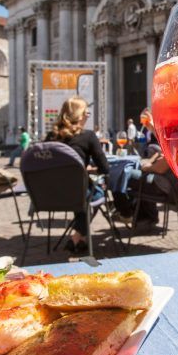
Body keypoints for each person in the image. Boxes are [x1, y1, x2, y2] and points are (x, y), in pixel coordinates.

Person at [45, 97, 109, 252]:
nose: (88, 115)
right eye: (86, 111)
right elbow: (105, 168)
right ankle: (76, 238)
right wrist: (90, 169)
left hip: (50, 195)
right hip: (78, 192)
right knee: (96, 194)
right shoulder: (88, 136)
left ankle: (83, 240)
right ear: (80, 115)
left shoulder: (50, 137)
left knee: (78, 188)